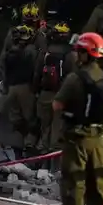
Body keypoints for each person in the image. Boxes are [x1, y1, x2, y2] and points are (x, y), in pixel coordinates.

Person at [53, 32, 103, 205]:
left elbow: (57, 105)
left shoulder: (75, 78)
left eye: (78, 52)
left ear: (85, 54)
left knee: (74, 186)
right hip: (99, 140)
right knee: (99, 185)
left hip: (77, 141)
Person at [34, 21, 74, 154]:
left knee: (44, 126)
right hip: (61, 96)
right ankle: (52, 159)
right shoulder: (70, 54)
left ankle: (41, 154)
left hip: (45, 94)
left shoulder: (46, 52)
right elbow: (73, 77)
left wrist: (36, 90)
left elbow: (37, 73)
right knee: (57, 128)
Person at [0, 24, 40, 151]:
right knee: (31, 118)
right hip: (25, 88)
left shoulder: (8, 53)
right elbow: (36, 70)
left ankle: (18, 144)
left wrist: (5, 85)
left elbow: (3, 70)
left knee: (15, 117)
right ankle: (29, 145)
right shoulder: (31, 51)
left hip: (11, 88)